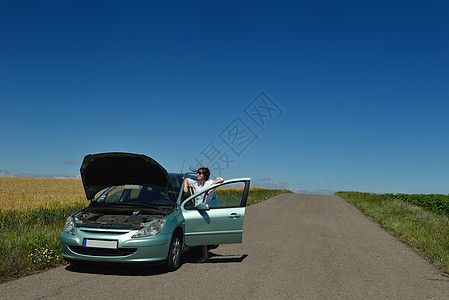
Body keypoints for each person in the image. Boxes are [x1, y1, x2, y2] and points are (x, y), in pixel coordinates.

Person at [183, 167, 223, 263]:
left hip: (205, 211)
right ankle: (202, 255)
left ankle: (205, 257)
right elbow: (187, 179)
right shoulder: (196, 184)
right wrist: (185, 186)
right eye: (197, 172)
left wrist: (210, 187)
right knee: (200, 234)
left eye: (200, 173)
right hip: (196, 211)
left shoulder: (209, 183)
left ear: (205, 175)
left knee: (202, 234)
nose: (198, 174)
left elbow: (221, 179)